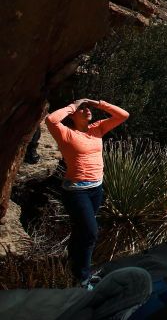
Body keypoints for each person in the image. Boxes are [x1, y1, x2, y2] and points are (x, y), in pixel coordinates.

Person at [44, 98, 129, 286]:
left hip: (96, 189)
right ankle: (83, 278)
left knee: (80, 231)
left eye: (88, 108)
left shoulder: (96, 129)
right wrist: (73, 105)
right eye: (81, 110)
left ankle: (71, 268)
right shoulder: (66, 133)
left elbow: (123, 115)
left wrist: (98, 103)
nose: (86, 110)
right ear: (73, 115)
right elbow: (51, 120)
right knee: (90, 233)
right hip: (76, 192)